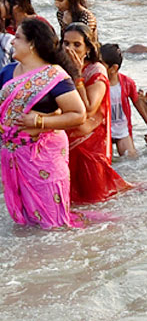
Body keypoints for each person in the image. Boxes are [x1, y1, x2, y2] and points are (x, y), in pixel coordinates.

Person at [0, 19, 87, 228]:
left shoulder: (54, 77)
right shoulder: (7, 72)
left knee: (52, 223)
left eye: (18, 37)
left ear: (32, 44)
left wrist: (39, 121)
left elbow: (78, 114)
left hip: (44, 157)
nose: (12, 42)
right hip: (13, 156)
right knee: (24, 222)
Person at [61, 22, 131, 204]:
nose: (70, 49)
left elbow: (89, 109)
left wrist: (77, 76)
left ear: (88, 49)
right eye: (66, 43)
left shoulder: (96, 70)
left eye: (77, 45)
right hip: (66, 141)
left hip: (90, 145)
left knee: (95, 202)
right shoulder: (59, 68)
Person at [101, 42, 147, 158]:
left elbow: (137, 103)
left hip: (122, 129)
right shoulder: (97, 84)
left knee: (131, 159)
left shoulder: (127, 83)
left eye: (101, 65)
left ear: (113, 68)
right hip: (104, 130)